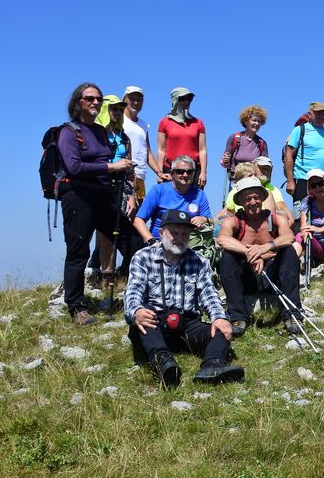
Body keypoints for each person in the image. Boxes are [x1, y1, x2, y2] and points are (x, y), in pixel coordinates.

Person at [124, 209, 243, 386]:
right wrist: (136, 311)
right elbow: (133, 292)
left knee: (219, 329)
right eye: (174, 233)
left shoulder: (199, 261)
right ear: (161, 233)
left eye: (185, 234)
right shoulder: (143, 257)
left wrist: (219, 317)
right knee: (146, 314)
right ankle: (163, 362)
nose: (179, 238)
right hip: (155, 323)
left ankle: (213, 365)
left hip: (186, 323)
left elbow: (209, 293)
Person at [56, 82, 135, 325]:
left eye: (98, 99)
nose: (96, 102)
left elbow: (106, 162)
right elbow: (74, 167)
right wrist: (111, 166)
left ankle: (138, 294)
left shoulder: (101, 132)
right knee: (78, 251)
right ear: (77, 103)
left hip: (103, 195)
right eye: (89, 98)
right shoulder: (68, 132)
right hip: (77, 197)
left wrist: (122, 175)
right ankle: (77, 306)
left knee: (133, 240)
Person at [217, 177, 302, 337]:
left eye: (256, 197)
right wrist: (249, 252)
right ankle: (238, 317)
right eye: (247, 199)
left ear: (262, 198)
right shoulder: (233, 220)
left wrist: (263, 249)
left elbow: (289, 237)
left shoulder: (276, 218)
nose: (252, 202)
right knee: (227, 256)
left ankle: (293, 314)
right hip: (247, 277)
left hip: (272, 275)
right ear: (241, 202)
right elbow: (222, 239)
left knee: (289, 251)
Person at [95, 95, 137, 286]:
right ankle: (106, 273)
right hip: (101, 186)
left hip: (120, 187)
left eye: (120, 109)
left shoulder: (124, 137)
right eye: (114, 109)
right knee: (104, 233)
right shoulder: (97, 135)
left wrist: (131, 195)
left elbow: (129, 168)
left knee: (118, 230)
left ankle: (119, 272)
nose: (117, 112)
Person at [133, 156, 212, 243]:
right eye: (180, 171)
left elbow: (211, 221)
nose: (185, 175)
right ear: (172, 173)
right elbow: (138, 220)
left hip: (188, 243)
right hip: (160, 242)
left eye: (189, 172)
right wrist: (151, 242)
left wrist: (205, 219)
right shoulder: (158, 191)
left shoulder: (199, 194)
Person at [283, 101, 324, 205]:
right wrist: (290, 181)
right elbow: (288, 154)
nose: (321, 116)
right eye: (318, 113)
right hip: (303, 179)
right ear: (309, 114)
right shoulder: (300, 130)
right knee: (300, 212)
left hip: (321, 181)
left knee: (320, 213)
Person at [156, 87, 207, 187]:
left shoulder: (198, 123)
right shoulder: (164, 122)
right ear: (175, 100)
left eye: (189, 99)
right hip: (171, 170)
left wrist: (203, 172)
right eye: (182, 99)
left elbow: (202, 150)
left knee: (195, 197)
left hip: (193, 171)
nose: (186, 102)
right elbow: (161, 150)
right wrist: (159, 173)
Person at [221, 105, 269, 180]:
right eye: (254, 120)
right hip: (236, 180)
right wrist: (225, 160)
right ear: (246, 121)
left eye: (259, 121)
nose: (257, 123)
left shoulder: (262, 143)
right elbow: (224, 161)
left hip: (254, 181)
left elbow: (266, 166)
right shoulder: (234, 138)